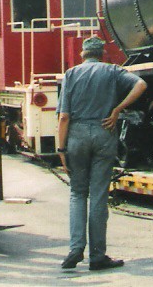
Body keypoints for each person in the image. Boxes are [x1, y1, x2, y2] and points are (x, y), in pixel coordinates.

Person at [57, 35, 147, 271]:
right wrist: (118, 109)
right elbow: (141, 84)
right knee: (98, 195)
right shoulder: (113, 71)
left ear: (82, 54)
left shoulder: (71, 74)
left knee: (77, 193)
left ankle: (75, 250)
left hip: (76, 135)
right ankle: (97, 256)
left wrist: (61, 148)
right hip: (104, 132)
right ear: (102, 53)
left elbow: (64, 116)